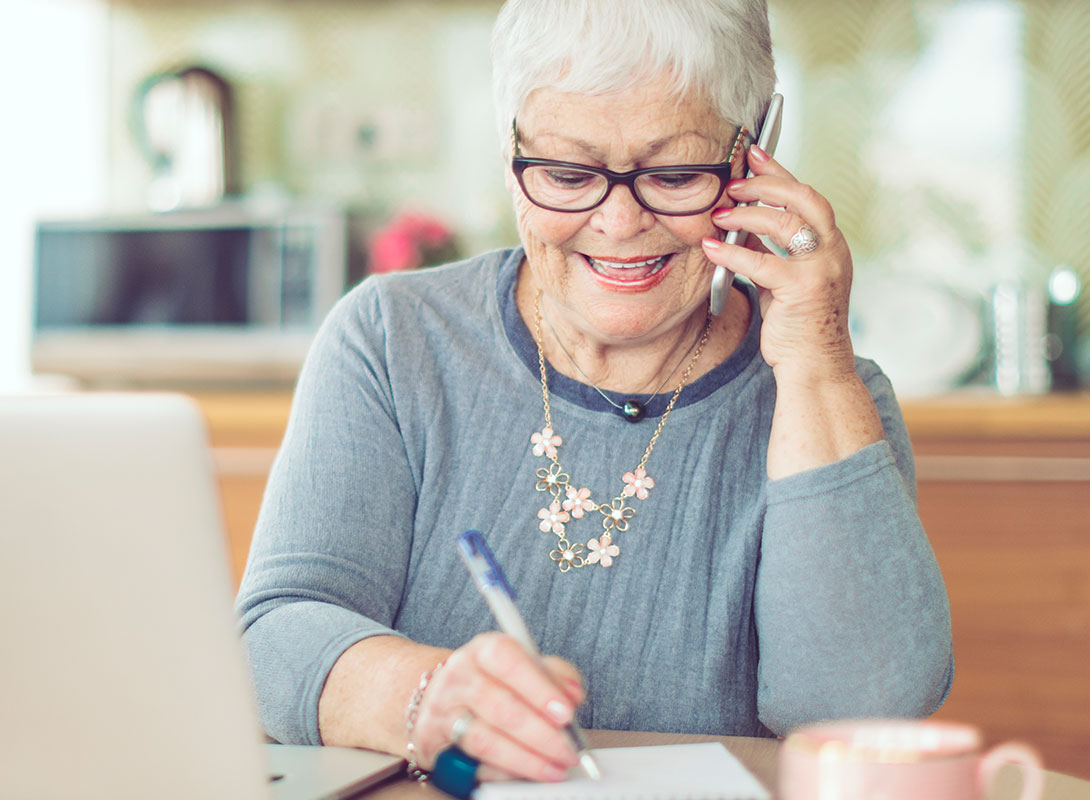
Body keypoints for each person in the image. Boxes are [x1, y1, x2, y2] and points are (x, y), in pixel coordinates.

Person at [236, 0, 951, 784]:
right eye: (568, 174)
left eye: (675, 174)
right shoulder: (392, 339)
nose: (616, 222)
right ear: (512, 153)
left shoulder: (832, 392)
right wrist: (425, 698)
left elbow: (861, 714)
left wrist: (815, 363)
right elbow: (272, 635)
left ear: (759, 154)